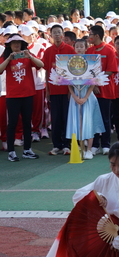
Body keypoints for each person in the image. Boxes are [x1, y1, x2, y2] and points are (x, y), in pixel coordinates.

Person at [0, 34, 43, 162]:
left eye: (18, 43)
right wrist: (8, 59)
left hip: (28, 94)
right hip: (13, 95)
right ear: (9, 45)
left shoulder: (27, 55)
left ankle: (27, 150)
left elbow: (41, 64)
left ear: (22, 44)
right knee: (12, 123)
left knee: (26, 123)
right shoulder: (6, 57)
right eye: (14, 43)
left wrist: (29, 56)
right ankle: (11, 151)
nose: (16, 45)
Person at [66, 39, 105, 160]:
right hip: (75, 97)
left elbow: (93, 81)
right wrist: (74, 96)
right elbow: (67, 81)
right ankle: (80, 148)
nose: (79, 48)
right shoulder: (69, 63)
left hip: (88, 96)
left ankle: (89, 150)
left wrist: (86, 97)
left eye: (81, 46)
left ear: (85, 48)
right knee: (76, 122)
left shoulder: (91, 62)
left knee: (88, 122)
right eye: (77, 46)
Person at [44, 24, 76, 156]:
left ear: (63, 35)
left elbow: (74, 72)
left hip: (67, 91)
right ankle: (56, 145)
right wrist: (47, 89)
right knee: (55, 119)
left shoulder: (70, 50)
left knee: (67, 118)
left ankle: (66, 145)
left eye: (59, 32)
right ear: (51, 36)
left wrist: (70, 90)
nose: (57, 35)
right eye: (54, 33)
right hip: (54, 90)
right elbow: (46, 71)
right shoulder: (48, 51)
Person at [86, 25, 118, 156]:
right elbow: (86, 70)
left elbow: (111, 70)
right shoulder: (89, 51)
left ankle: (105, 144)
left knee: (105, 117)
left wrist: (97, 82)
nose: (89, 37)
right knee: (92, 118)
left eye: (90, 34)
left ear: (97, 36)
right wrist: (93, 85)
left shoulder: (109, 50)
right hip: (91, 91)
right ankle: (94, 145)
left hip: (105, 90)